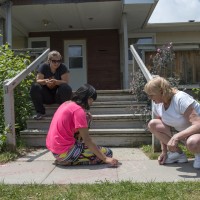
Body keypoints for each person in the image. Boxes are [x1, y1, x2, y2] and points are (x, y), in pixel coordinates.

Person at [46, 83, 118, 166]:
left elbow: (76, 134)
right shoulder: (78, 111)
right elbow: (87, 140)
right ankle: (68, 161)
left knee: (98, 152)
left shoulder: (66, 103)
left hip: (55, 151)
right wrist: (105, 159)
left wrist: (86, 119)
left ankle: (67, 159)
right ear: (87, 98)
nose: (92, 103)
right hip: (64, 152)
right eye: (91, 100)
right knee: (108, 153)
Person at [144, 76, 200, 169]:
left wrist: (176, 137)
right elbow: (161, 128)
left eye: (152, 95)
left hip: (196, 132)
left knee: (193, 142)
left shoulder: (180, 98)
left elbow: (198, 124)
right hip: (182, 133)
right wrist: (164, 152)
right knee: (153, 124)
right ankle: (177, 154)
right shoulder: (158, 104)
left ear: (161, 91)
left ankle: (198, 152)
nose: (150, 98)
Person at [30, 50, 72, 120]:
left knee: (65, 87)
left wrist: (56, 82)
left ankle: (65, 112)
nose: (57, 63)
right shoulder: (44, 66)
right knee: (35, 86)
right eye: (54, 61)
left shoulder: (63, 67)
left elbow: (66, 82)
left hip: (58, 96)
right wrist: (45, 81)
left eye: (59, 61)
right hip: (47, 96)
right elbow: (38, 80)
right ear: (49, 61)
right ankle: (40, 112)